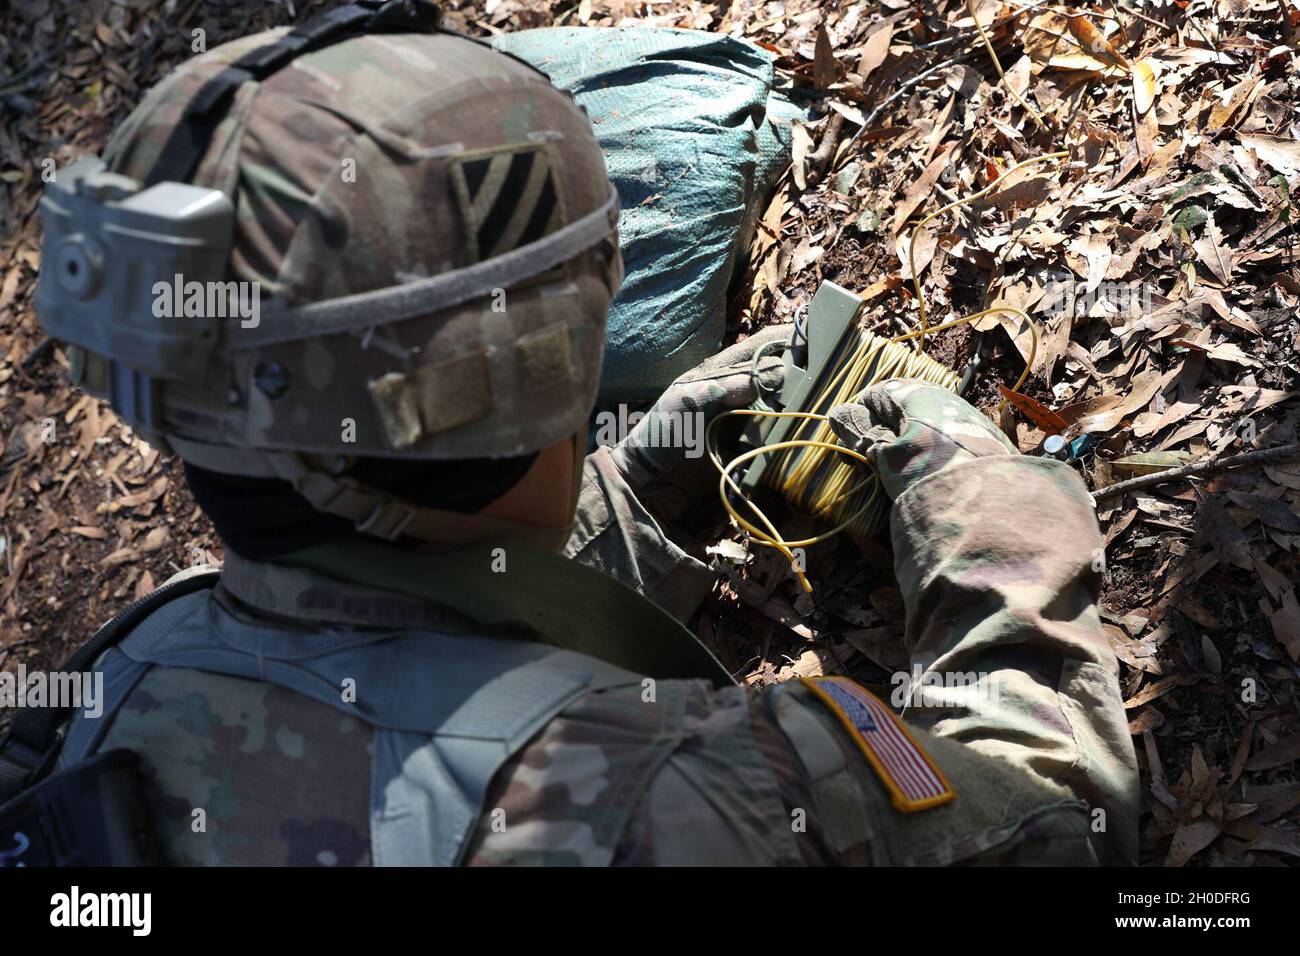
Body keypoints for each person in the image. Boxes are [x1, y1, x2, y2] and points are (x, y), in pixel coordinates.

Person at [10, 4, 1138, 866]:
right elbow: (1055, 819)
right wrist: (990, 512)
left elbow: (404, 629)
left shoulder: (120, 681)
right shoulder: (656, 800)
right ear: (547, 362)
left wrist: (639, 484)